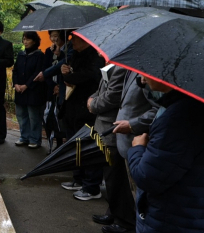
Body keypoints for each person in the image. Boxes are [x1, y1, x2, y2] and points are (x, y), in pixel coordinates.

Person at [128, 76, 204, 232]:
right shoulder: (189, 105)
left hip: (172, 217)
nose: (142, 76)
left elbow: (147, 176)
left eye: (148, 72)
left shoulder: (180, 117)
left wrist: (138, 148)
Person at [94, 72, 159, 233]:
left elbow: (157, 108)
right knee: (121, 183)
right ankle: (117, 215)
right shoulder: (131, 69)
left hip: (136, 139)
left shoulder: (151, 73)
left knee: (135, 192)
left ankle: (129, 224)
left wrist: (132, 124)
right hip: (123, 139)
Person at [87, 65, 136, 233]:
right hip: (108, 127)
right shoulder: (114, 65)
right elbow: (102, 88)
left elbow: (112, 96)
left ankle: (125, 221)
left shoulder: (126, 67)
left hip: (117, 129)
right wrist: (92, 99)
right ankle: (114, 212)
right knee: (111, 177)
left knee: (117, 178)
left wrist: (94, 104)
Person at [59, 34, 105, 200]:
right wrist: (65, 69)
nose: (71, 41)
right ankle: (78, 178)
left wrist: (69, 76)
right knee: (74, 145)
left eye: (75, 38)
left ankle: (91, 185)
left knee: (87, 146)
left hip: (87, 108)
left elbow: (88, 77)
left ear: (85, 40)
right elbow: (71, 74)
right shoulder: (74, 56)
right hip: (72, 107)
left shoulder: (96, 58)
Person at [12, 31, 46, 148]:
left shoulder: (39, 55)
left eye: (28, 39)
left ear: (34, 41)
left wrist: (27, 85)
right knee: (21, 115)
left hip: (33, 91)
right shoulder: (21, 54)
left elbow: (38, 72)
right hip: (20, 90)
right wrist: (16, 83)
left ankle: (35, 139)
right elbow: (15, 70)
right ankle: (24, 137)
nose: (25, 42)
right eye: (24, 39)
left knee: (34, 116)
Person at [42, 30, 65, 153]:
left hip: (63, 88)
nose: (54, 38)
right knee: (49, 116)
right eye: (52, 35)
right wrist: (53, 85)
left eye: (57, 35)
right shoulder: (47, 51)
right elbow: (46, 70)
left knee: (59, 117)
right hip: (51, 89)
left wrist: (60, 53)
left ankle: (62, 144)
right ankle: (53, 144)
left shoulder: (66, 51)